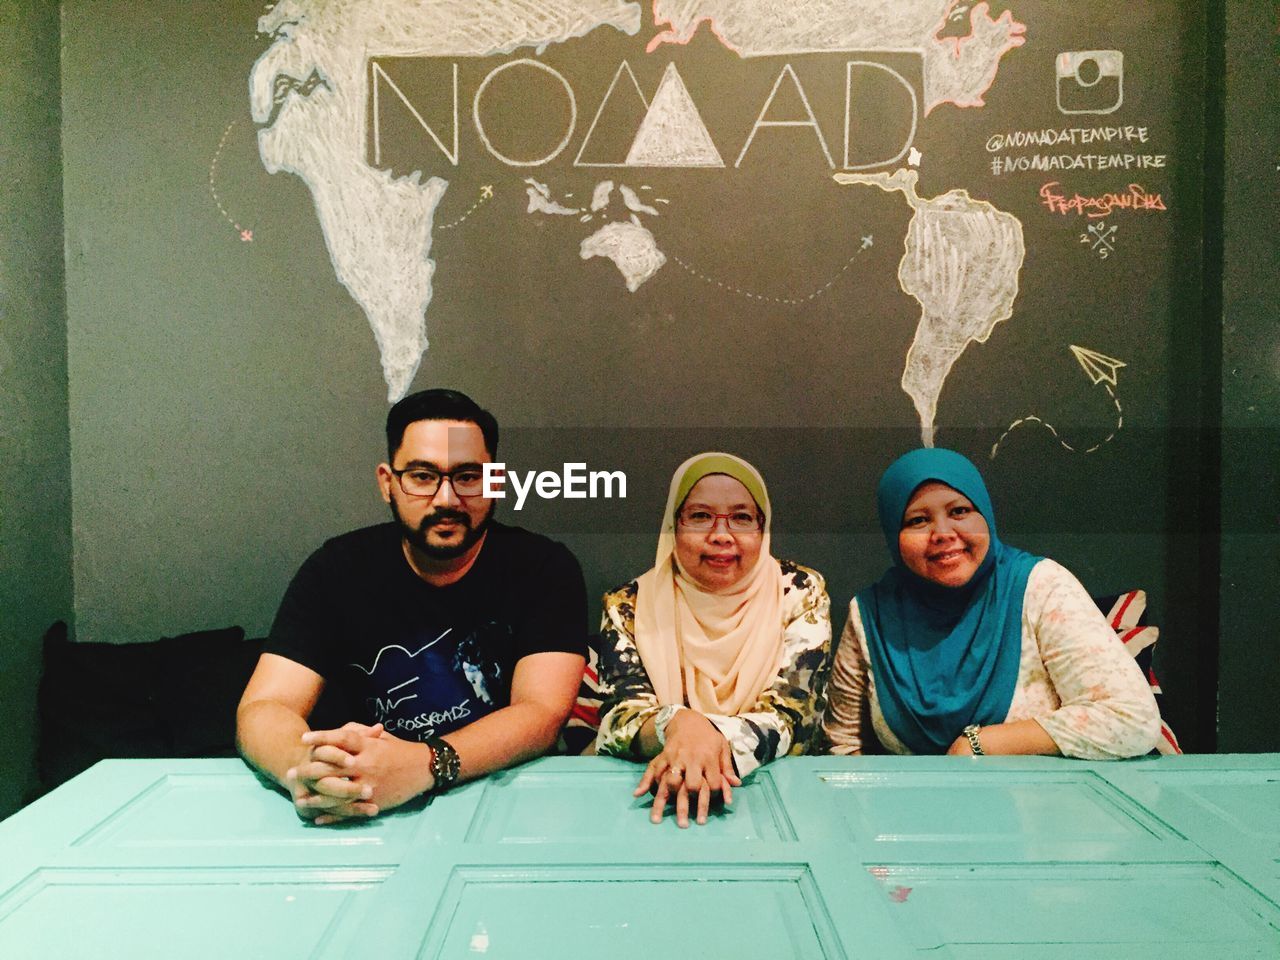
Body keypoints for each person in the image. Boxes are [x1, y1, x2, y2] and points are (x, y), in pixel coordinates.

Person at [236, 389, 588, 824]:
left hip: (506, 801)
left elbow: (540, 712)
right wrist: (307, 770)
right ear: (388, 483)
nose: (446, 499)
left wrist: (425, 765)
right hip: (364, 808)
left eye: (467, 476)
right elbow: (264, 707)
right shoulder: (337, 569)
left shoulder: (544, 567)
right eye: (422, 476)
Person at [822, 448, 1160, 758]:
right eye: (918, 521)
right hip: (911, 814)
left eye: (959, 511)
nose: (942, 532)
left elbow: (1131, 719)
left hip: (1038, 812)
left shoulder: (1039, 587)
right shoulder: (872, 615)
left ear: (985, 516)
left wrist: (981, 744)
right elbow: (845, 746)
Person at [595, 453, 831, 827]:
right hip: (656, 797)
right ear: (674, 526)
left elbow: (794, 717)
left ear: (762, 527)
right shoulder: (628, 605)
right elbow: (617, 717)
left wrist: (702, 740)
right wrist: (678, 724)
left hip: (775, 797)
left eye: (741, 518)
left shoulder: (800, 592)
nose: (722, 535)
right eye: (700, 516)